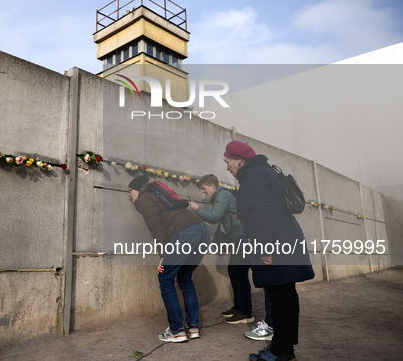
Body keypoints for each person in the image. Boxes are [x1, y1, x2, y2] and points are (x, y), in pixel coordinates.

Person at [223, 140, 314, 361]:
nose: (227, 167)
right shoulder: (261, 173)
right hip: (283, 240)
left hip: (275, 244)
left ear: (240, 160)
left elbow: (262, 214)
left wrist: (263, 247)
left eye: (228, 162)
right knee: (285, 297)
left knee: (280, 297)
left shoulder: (254, 177)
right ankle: (284, 349)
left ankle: (281, 352)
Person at [127, 175, 210, 343]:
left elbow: (155, 226)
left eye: (130, 191)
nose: (129, 195)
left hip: (186, 234)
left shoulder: (145, 197)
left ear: (137, 188)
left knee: (165, 277)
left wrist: (164, 254)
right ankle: (193, 327)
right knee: (185, 278)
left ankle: (177, 330)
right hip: (202, 231)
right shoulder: (159, 193)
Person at [188, 174, 254, 325]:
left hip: (245, 238)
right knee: (234, 270)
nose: (204, 192)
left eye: (204, 189)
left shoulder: (222, 195)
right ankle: (238, 308)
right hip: (239, 239)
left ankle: (246, 313)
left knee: (239, 272)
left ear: (212, 186)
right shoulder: (220, 196)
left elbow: (214, 216)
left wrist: (197, 209)